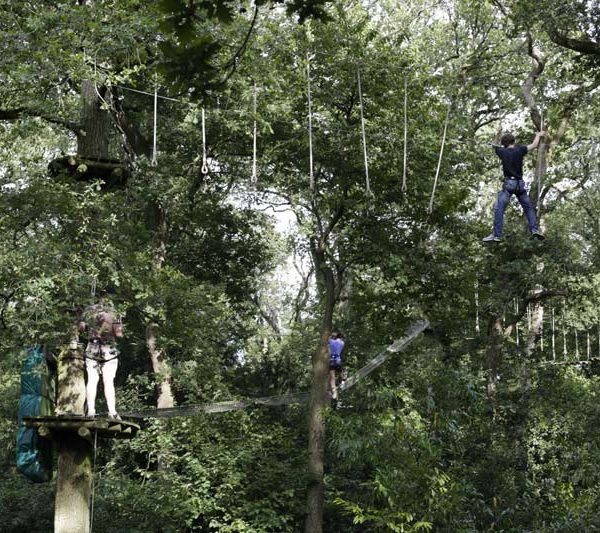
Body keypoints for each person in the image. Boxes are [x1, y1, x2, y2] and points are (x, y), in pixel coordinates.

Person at [483, 129, 546, 243]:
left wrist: (496, 135)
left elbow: (494, 144)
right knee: (528, 208)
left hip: (509, 184)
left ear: (504, 143)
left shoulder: (501, 151)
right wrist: (538, 135)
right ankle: (534, 230)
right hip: (520, 185)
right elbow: (534, 145)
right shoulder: (520, 150)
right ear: (514, 141)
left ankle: (496, 235)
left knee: (499, 208)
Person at [78, 289, 124, 419]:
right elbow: (119, 334)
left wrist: (87, 322)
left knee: (92, 380)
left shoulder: (88, 310)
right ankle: (112, 412)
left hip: (92, 347)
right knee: (108, 381)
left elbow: (81, 328)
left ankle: (91, 411)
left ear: (99, 296)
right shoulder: (115, 312)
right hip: (109, 348)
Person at [328, 331, 345, 401]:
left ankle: (334, 392)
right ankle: (342, 381)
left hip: (332, 360)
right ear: (341, 337)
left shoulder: (331, 341)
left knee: (332, 377)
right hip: (338, 360)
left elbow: (328, 339)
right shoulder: (342, 343)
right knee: (340, 371)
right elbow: (339, 340)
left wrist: (332, 335)